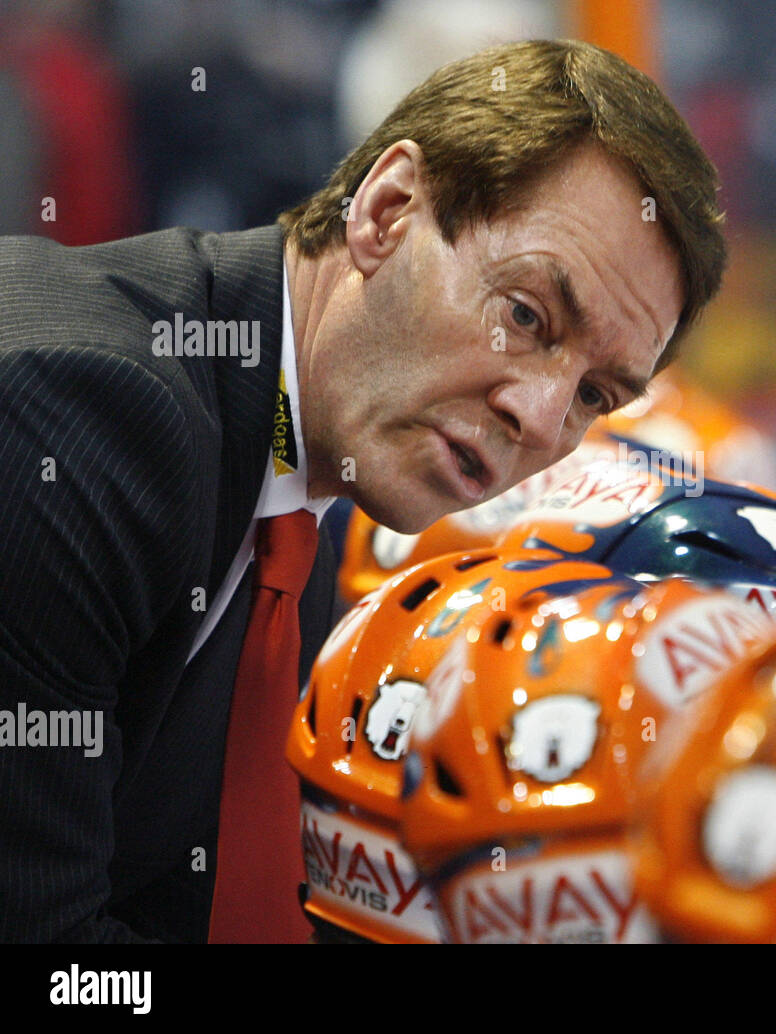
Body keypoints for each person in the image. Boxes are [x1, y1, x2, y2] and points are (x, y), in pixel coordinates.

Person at [0, 38, 726, 943]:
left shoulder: (311, 504)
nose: (540, 419)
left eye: (594, 395)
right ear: (386, 213)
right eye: (527, 315)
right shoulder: (82, 411)